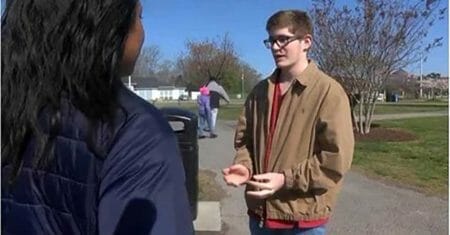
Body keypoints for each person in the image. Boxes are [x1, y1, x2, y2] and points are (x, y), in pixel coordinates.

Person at [1, 1, 193, 234]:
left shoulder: (11, 105)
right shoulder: (138, 131)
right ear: (109, 25)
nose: (143, 32)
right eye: (139, 17)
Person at [222, 10, 354, 235]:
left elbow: (335, 159)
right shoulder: (259, 92)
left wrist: (285, 179)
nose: (275, 47)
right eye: (271, 40)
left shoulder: (328, 92)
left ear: (306, 42)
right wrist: (245, 166)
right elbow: (245, 141)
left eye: (283, 39)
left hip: (302, 220)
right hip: (260, 215)